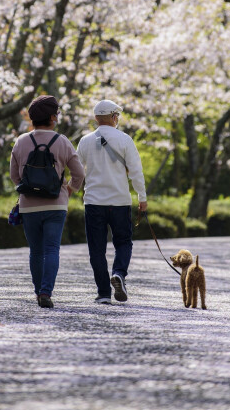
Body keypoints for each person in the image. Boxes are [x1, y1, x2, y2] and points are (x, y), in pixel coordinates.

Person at [10, 95, 84, 309]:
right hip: (55, 204)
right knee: (52, 249)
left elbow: (14, 175)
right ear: (52, 117)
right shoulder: (62, 141)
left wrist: (28, 187)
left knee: (36, 250)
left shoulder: (21, 141)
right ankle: (46, 292)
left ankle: (37, 291)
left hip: (29, 205)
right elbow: (79, 173)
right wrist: (69, 189)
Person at [77, 99, 147, 305]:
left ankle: (103, 293)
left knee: (96, 248)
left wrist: (68, 191)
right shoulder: (125, 139)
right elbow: (136, 172)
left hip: (93, 201)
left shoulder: (84, 141)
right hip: (119, 201)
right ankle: (118, 274)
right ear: (114, 117)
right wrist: (142, 198)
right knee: (123, 242)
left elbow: (78, 172)